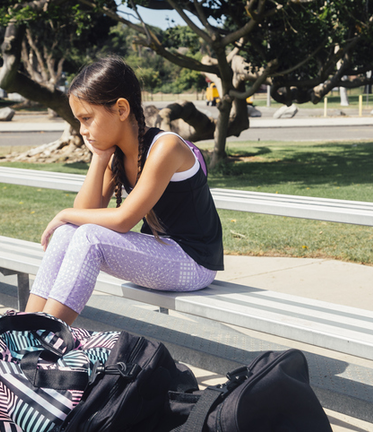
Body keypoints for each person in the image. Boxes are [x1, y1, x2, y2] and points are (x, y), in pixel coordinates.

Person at [25, 56, 224, 325]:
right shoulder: (116, 156)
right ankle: (24, 329)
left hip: (193, 263)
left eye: (87, 119)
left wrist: (63, 213)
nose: (82, 131)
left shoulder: (166, 147)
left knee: (88, 237)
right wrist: (100, 157)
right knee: (66, 233)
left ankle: (44, 338)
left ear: (121, 109)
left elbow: (123, 220)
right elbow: (82, 214)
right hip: (160, 254)